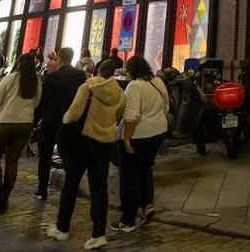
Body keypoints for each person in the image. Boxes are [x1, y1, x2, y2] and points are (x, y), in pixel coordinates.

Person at [46, 59, 125, 247]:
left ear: (97, 70)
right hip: (104, 144)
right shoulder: (120, 94)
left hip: (82, 143)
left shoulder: (87, 88)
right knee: (100, 189)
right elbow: (119, 116)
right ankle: (98, 234)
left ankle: (62, 228)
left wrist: (64, 123)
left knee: (71, 186)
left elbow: (72, 115)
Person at [115, 55, 169, 233]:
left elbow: (131, 115)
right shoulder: (158, 82)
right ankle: (147, 205)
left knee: (129, 176)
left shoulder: (134, 86)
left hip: (140, 135)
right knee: (145, 168)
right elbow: (166, 106)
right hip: (158, 132)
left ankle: (128, 220)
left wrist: (127, 138)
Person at [0, 51, 41, 213]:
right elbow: (36, 104)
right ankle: (5, 199)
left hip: (5, 123)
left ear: (18, 64)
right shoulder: (36, 81)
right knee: (12, 161)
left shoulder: (10, 79)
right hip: (25, 125)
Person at [35, 47, 87, 200]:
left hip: (50, 121)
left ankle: (42, 189)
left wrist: (35, 121)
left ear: (60, 58)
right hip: (69, 122)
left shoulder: (52, 77)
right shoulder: (80, 76)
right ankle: (71, 188)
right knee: (69, 157)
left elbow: (43, 100)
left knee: (45, 156)